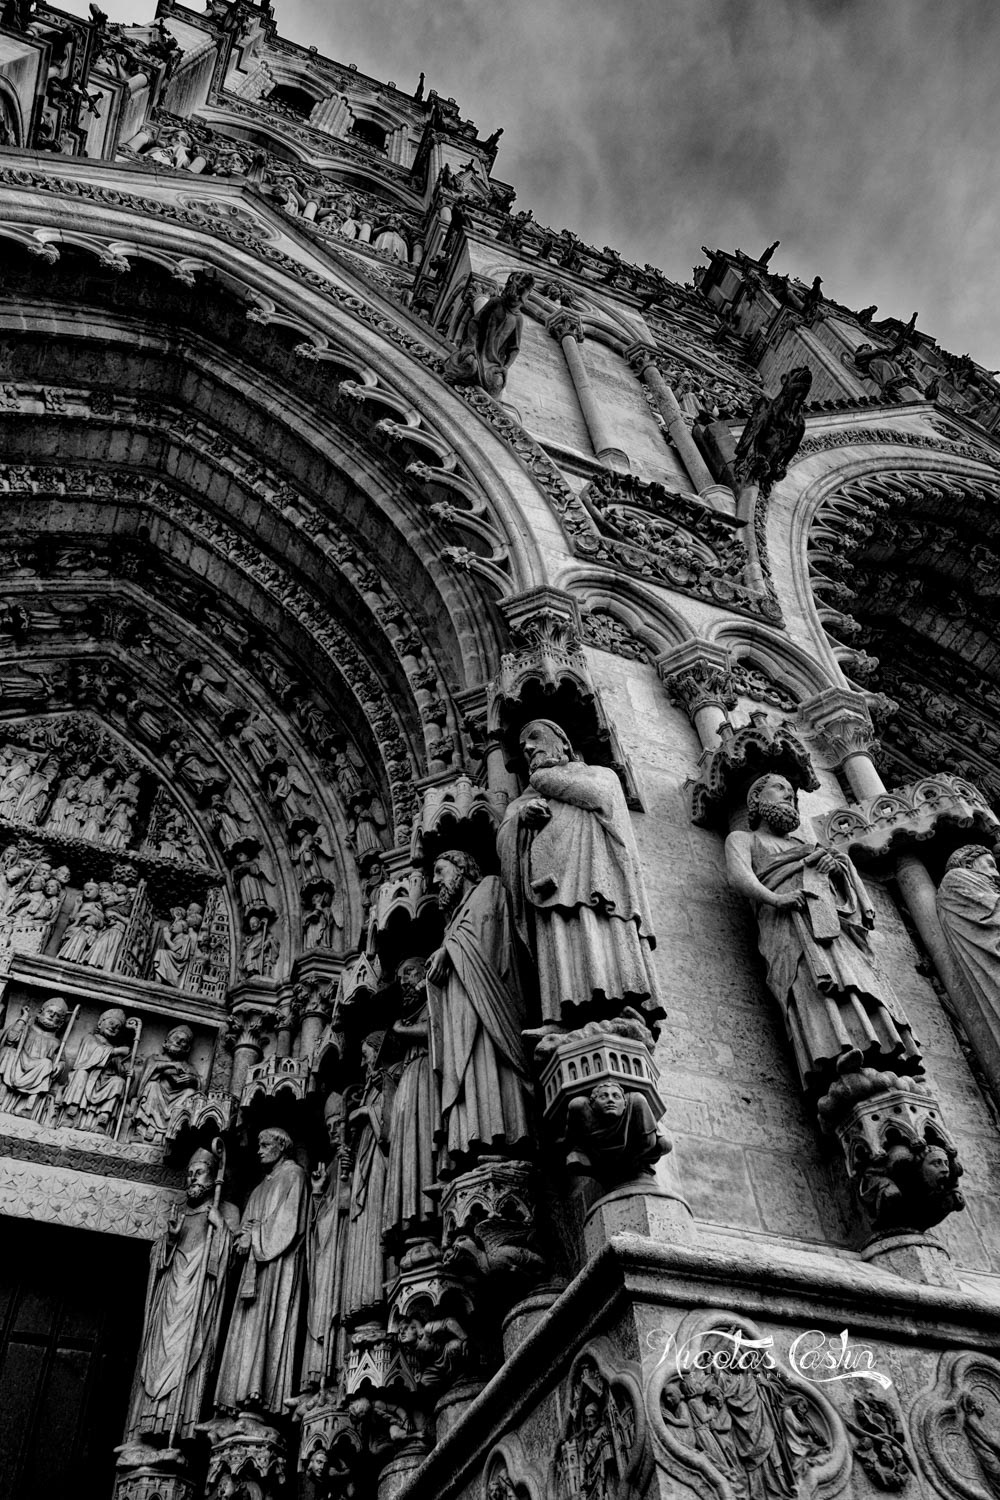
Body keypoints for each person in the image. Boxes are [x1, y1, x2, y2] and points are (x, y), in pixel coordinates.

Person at [725, 774, 919, 1092]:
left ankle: (879, 1047)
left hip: (831, 925)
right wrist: (777, 899)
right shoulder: (743, 839)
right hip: (789, 927)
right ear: (756, 799)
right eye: (780, 789)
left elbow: (843, 889)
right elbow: (739, 876)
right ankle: (834, 1052)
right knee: (808, 983)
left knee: (852, 979)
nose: (789, 796)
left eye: (792, 792)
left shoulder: (804, 846)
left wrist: (836, 869)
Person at [498, 720, 663, 1032]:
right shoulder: (527, 798)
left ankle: (621, 1010)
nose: (529, 748)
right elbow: (505, 836)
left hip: (597, 880)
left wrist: (542, 778)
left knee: (599, 934)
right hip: (551, 886)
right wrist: (521, 819)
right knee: (560, 941)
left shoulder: (597, 774)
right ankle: (562, 1020)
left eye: (535, 737)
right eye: (523, 747)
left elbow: (597, 795)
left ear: (563, 740)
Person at [427, 849, 533, 1173]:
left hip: (488, 1005)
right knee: (468, 1070)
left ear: (461, 868)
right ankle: (472, 1144)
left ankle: (501, 1138)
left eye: (440, 871)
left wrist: (448, 950)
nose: (435, 881)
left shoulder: (489, 887)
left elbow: (487, 939)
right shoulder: (453, 920)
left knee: (487, 1063)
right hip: (461, 1014)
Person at [127, 1146, 238, 1443]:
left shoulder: (226, 1212)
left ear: (213, 1177)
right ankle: (149, 1425)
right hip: (170, 1301)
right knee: (158, 1355)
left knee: (187, 1355)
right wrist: (170, 1240)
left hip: (197, 1303)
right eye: (189, 1174)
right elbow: (157, 1262)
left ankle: (177, 1428)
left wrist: (221, 1229)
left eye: (198, 1173)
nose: (192, 1179)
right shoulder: (180, 1213)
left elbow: (231, 1266)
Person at [214, 1128, 308, 1417]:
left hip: (276, 1269)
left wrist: (253, 1237)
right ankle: (238, 1399)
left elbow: (289, 1225)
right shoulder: (257, 1189)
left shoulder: (294, 1175)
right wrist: (241, 1238)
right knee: (246, 1328)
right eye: (258, 1145)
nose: (259, 1151)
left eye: (265, 1145)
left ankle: (259, 1397)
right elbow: (244, 1232)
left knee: (267, 1327)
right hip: (253, 1273)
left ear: (282, 1147)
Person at [60, 1007, 133, 1132]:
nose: (113, 1027)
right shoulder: (90, 1038)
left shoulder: (114, 1047)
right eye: (111, 1023)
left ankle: (102, 1121)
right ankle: (71, 1114)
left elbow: (119, 1070)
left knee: (118, 1082)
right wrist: (116, 1051)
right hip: (87, 1077)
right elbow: (94, 1052)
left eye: (118, 1027)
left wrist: (128, 1073)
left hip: (103, 1082)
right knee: (81, 1074)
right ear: (100, 1024)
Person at [0, 995, 71, 1116]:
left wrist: (59, 1066)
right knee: (8, 1051)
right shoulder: (26, 1029)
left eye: (57, 1015)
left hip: (38, 1070)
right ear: (39, 1013)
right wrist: (23, 1018)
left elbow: (62, 1061)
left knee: (47, 1064)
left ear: (60, 1023)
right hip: (18, 1062)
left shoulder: (57, 1042)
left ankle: (29, 1107)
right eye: (49, 1012)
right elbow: (10, 1039)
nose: (52, 1016)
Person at [132, 1025, 202, 1143]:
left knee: (190, 1092)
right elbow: (149, 1072)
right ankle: (145, 1129)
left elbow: (199, 1088)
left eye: (183, 1041)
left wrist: (193, 1081)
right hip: (157, 1093)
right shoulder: (155, 1058)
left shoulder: (187, 1066)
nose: (178, 1042)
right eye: (176, 1038)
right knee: (152, 1085)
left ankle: (172, 1132)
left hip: (176, 1097)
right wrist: (170, 1065)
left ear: (187, 1048)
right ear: (166, 1042)